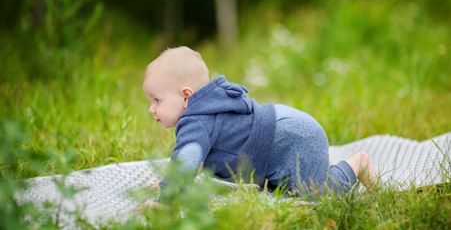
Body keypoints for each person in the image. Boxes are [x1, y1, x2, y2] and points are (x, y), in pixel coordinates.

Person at [142, 46, 377, 206]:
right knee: (287, 190)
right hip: (287, 132)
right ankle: (313, 167)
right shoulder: (209, 106)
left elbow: (186, 158)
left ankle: (357, 164)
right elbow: (204, 155)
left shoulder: (195, 121)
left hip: (295, 137)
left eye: (157, 100)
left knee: (319, 195)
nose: (152, 109)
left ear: (186, 96)